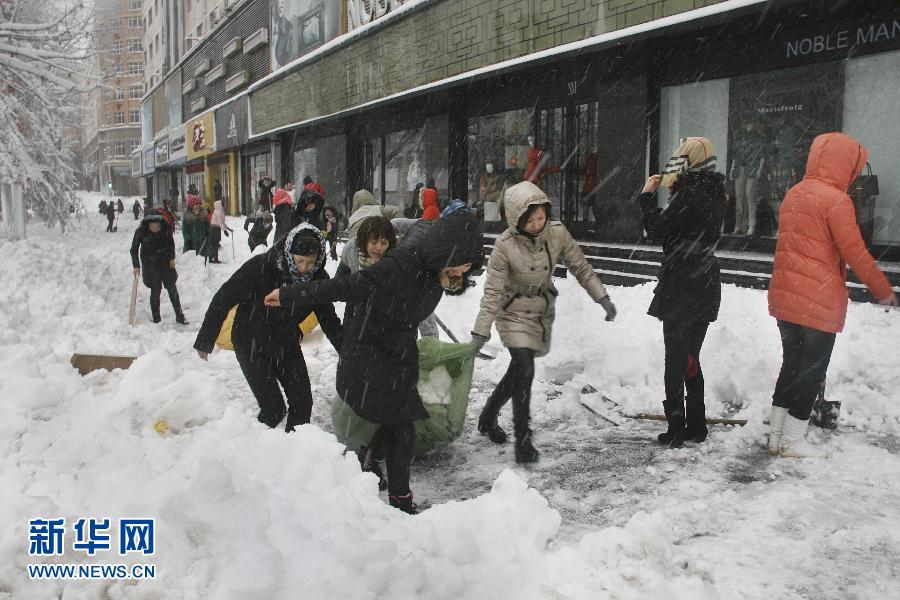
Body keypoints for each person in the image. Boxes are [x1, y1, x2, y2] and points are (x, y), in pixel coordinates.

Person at [263, 212, 484, 514]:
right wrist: (291, 294)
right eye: (463, 263)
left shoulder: (440, 263)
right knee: (404, 429)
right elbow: (349, 286)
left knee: (395, 423)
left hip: (399, 352)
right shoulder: (402, 264)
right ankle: (400, 502)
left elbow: (424, 226)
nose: (465, 271)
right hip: (369, 353)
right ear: (448, 250)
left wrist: (454, 277)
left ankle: (371, 457)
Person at [767, 132, 898, 458]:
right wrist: (883, 290)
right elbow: (854, 252)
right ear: (845, 166)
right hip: (818, 300)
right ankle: (793, 443)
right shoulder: (837, 201)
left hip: (786, 297)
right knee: (811, 370)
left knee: (791, 365)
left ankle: (775, 436)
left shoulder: (794, 194)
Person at [471, 181, 615, 463]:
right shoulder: (504, 246)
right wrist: (481, 330)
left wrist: (602, 298)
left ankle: (488, 414)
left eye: (542, 217)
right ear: (516, 218)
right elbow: (493, 292)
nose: (538, 224)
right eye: (531, 219)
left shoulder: (557, 233)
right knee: (524, 368)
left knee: (517, 369)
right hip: (511, 312)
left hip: (539, 311)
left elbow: (580, 266)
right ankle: (523, 440)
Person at [194, 224, 343, 432]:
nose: (304, 269)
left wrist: (347, 352)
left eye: (310, 263)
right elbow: (224, 297)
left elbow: (329, 319)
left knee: (303, 402)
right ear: (289, 252)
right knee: (273, 409)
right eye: (299, 261)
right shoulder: (262, 267)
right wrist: (206, 339)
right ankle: (255, 452)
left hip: (285, 342)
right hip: (250, 341)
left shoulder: (317, 279)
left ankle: (292, 451)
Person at [638, 137, 724, 448]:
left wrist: (647, 197)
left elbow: (656, 229)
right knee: (690, 355)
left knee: (675, 359)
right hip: (705, 280)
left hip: (682, 282)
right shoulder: (717, 193)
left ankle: (676, 426)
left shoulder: (689, 193)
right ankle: (697, 424)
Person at [130, 212, 187, 324]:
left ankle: (179, 315)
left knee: (172, 289)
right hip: (150, 265)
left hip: (165, 263)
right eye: (153, 227)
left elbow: (171, 244)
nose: (155, 229)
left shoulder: (166, 229)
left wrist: (172, 258)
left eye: (157, 226)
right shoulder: (141, 232)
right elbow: (134, 249)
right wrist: (136, 265)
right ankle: (156, 318)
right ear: (148, 225)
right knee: (155, 291)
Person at [205, 199, 232, 264]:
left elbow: (222, 222)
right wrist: (225, 231)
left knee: (215, 245)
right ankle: (212, 259)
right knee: (214, 245)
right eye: (222, 204)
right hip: (214, 229)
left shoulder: (220, 212)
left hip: (216, 229)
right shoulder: (218, 212)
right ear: (219, 205)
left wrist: (228, 228)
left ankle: (214, 259)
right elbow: (220, 223)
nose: (223, 205)